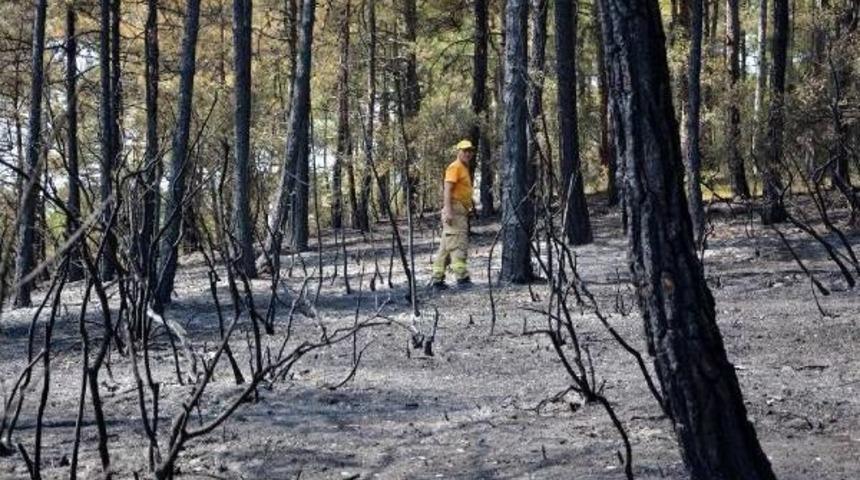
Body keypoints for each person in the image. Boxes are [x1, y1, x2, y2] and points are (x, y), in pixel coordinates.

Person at [431, 139, 475, 290]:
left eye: (470, 151)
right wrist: (448, 210)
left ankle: (437, 279)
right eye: (464, 151)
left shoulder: (463, 168)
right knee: (458, 244)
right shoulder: (454, 167)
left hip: (459, 210)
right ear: (458, 152)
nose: (468, 153)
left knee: (445, 247)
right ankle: (462, 278)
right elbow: (447, 189)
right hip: (454, 211)